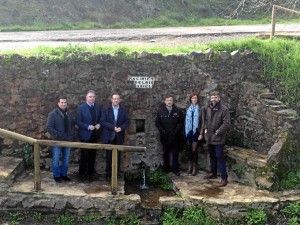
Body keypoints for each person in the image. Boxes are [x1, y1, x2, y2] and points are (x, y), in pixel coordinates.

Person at [200, 91, 230, 187]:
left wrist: (218, 132)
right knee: (212, 156)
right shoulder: (208, 108)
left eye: (215, 97)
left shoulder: (224, 109)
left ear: (219, 98)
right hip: (209, 137)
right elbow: (205, 120)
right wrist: (205, 128)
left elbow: (226, 124)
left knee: (219, 157)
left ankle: (224, 178)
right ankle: (213, 173)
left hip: (218, 138)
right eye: (212, 97)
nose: (214, 99)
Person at [100, 93, 129, 178]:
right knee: (109, 155)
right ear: (111, 100)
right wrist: (113, 127)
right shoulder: (106, 110)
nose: (116, 100)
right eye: (114, 99)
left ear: (119, 100)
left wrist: (121, 128)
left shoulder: (123, 110)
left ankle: (116, 173)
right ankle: (108, 173)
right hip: (109, 135)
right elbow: (103, 121)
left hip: (119, 135)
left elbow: (127, 122)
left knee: (118, 156)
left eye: (117, 99)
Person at [75, 90, 101, 182]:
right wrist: (88, 127)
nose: (92, 98)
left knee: (93, 155)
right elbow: (78, 121)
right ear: (86, 98)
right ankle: (82, 174)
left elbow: (100, 119)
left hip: (94, 135)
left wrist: (99, 124)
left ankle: (91, 173)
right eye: (90, 96)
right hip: (85, 135)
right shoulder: (81, 108)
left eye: (93, 97)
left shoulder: (97, 107)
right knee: (84, 155)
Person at [46, 97, 73, 183]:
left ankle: (63, 174)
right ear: (58, 103)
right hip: (57, 140)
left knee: (66, 158)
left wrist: (70, 134)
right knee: (56, 159)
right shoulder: (53, 114)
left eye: (65, 102)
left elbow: (72, 125)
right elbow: (49, 127)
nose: (64, 104)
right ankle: (56, 175)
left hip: (67, 140)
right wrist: (59, 135)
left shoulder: (69, 113)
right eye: (62, 102)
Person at [155, 95, 183, 176]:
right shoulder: (161, 111)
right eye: (167, 100)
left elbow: (180, 122)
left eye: (170, 100)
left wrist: (176, 131)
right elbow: (157, 122)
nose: (169, 102)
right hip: (165, 136)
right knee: (165, 153)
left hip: (175, 136)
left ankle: (175, 169)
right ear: (165, 101)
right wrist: (162, 130)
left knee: (175, 153)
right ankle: (166, 169)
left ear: (173, 101)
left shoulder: (177, 111)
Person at [185, 92, 203, 176]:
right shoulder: (188, 108)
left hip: (196, 131)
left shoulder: (200, 109)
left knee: (194, 150)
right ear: (190, 99)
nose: (194, 100)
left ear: (197, 99)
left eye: (195, 98)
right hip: (189, 131)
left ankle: (195, 168)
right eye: (192, 98)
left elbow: (203, 122)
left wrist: (201, 133)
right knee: (188, 149)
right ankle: (190, 166)